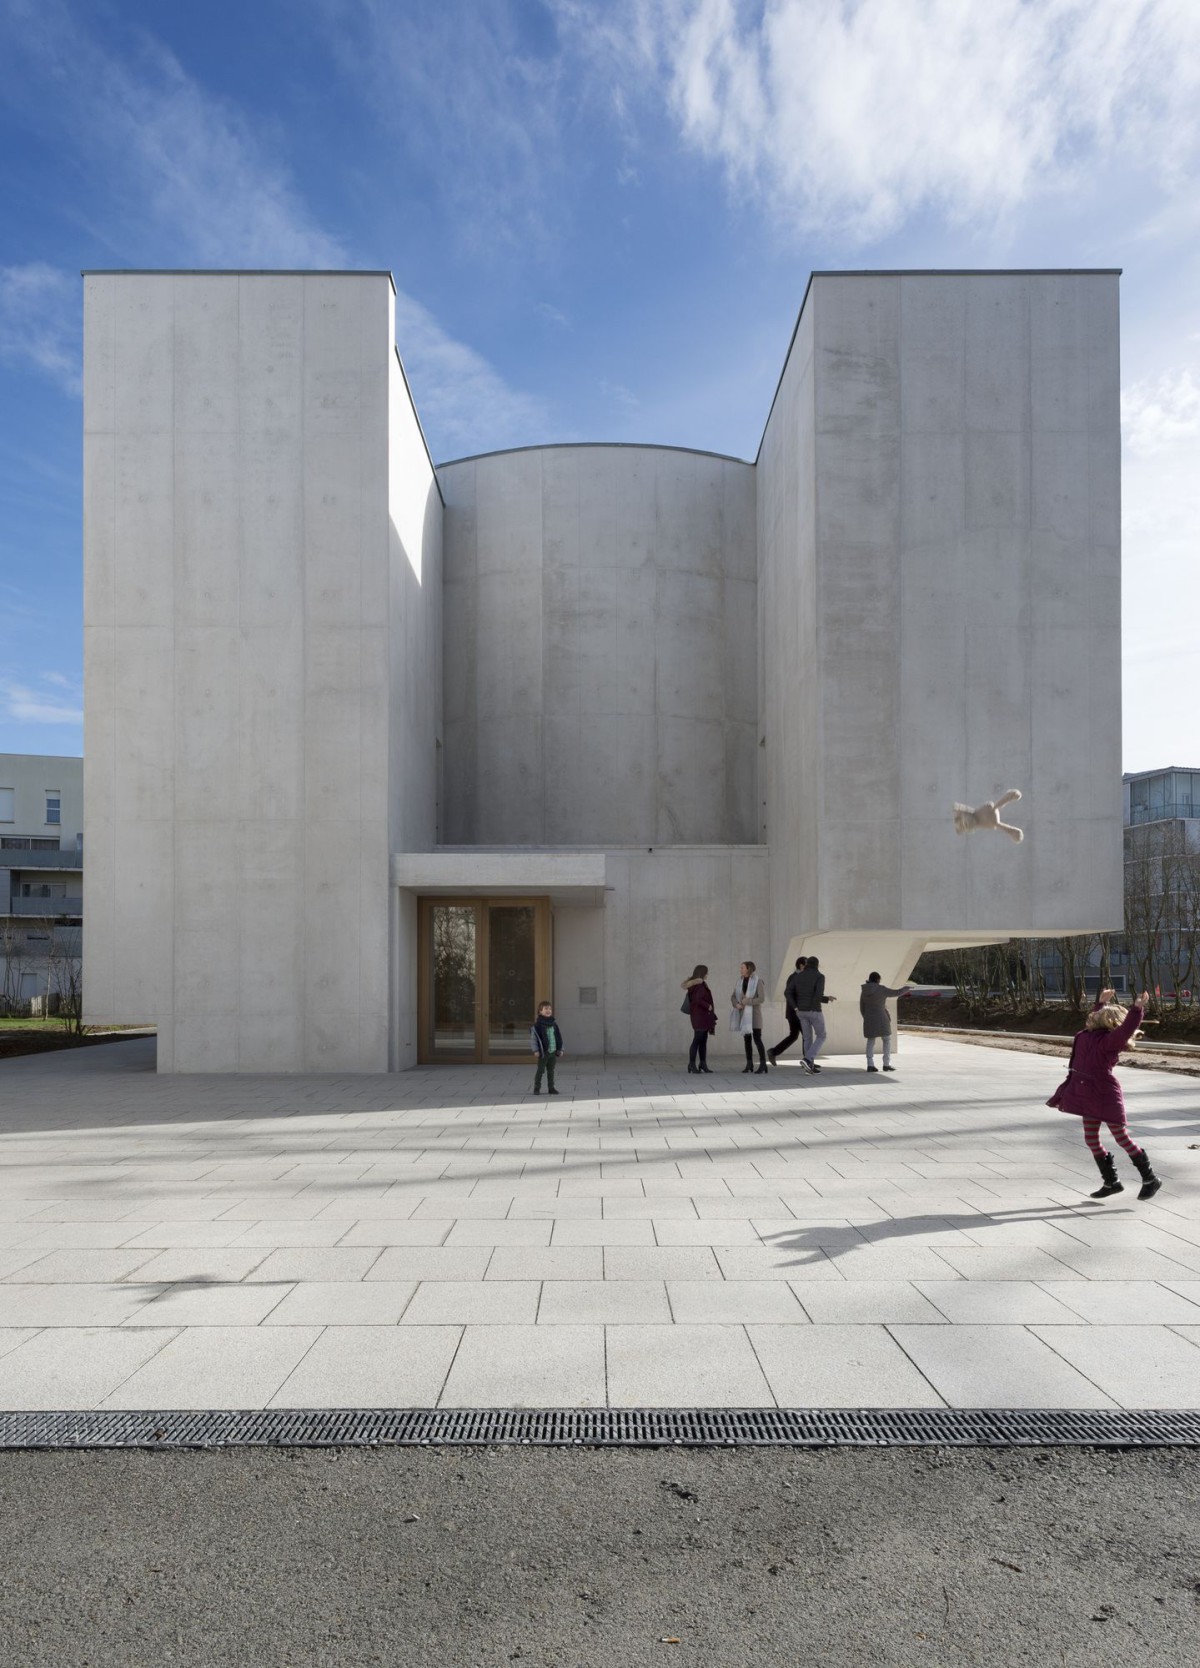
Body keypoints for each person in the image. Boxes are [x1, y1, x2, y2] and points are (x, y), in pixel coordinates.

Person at [1056, 988, 1161, 1200]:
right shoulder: (1087, 1036)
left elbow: (1125, 1030)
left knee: (1121, 1137)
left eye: (1097, 1016)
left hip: (1105, 1094)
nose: (1091, 1017)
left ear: (1105, 1022)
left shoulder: (1109, 1042)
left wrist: (1137, 1009)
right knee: (1091, 1138)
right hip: (1087, 1093)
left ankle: (1150, 1179)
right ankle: (1111, 1182)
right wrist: (1100, 1003)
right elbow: (1097, 1019)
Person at [790, 954, 835, 1072]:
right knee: (821, 1035)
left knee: (807, 1038)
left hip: (801, 1011)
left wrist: (795, 1007)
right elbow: (817, 995)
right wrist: (822, 1001)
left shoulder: (798, 976)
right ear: (817, 965)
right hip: (814, 1010)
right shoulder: (820, 976)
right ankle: (808, 1059)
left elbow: (787, 992)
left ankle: (809, 1067)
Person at [859, 972, 911, 1072]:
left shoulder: (864, 991)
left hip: (869, 1018)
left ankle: (870, 1065)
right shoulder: (881, 989)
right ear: (878, 979)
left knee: (870, 1041)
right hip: (881, 1018)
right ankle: (886, 1064)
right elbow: (896, 993)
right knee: (886, 1039)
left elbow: (862, 1006)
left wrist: (866, 1017)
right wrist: (906, 988)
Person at [768, 956, 808, 1065]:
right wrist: (797, 1008)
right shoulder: (794, 977)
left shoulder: (801, 977)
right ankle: (808, 1060)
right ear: (801, 965)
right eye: (807, 964)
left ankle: (773, 1052)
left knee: (794, 1035)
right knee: (806, 1034)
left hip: (794, 1013)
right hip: (796, 1013)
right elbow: (789, 994)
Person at [731, 960, 768, 1074]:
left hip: (755, 1016)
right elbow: (733, 996)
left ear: (749, 969)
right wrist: (736, 1004)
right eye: (741, 967)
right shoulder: (739, 981)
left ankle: (763, 1064)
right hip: (744, 1016)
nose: (740, 969)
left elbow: (761, 999)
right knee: (747, 1040)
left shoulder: (758, 982)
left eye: (742, 967)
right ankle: (749, 1064)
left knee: (757, 1039)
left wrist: (748, 1001)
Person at [681, 964, 717, 1073]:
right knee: (697, 1040)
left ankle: (702, 1063)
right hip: (700, 1016)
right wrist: (708, 1006)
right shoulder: (700, 985)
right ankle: (692, 1064)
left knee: (702, 1041)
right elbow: (698, 999)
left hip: (700, 1016)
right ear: (702, 973)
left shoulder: (696, 984)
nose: (707, 974)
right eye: (706, 972)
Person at [530, 1000, 564, 1095]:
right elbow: (533, 1039)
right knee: (540, 1071)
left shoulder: (554, 1024)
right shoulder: (538, 1025)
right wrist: (536, 1050)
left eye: (550, 1009)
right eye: (545, 1009)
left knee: (551, 1071)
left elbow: (559, 1037)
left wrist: (560, 1049)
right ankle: (537, 1088)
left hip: (553, 1052)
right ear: (540, 1011)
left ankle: (551, 1087)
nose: (548, 1010)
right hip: (543, 1052)